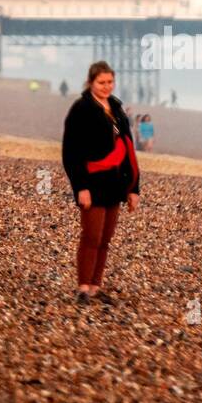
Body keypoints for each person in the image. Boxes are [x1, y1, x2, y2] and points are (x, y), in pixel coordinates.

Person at [61, 61, 140, 304]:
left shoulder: (116, 108)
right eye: (101, 82)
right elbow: (71, 152)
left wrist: (134, 188)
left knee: (105, 239)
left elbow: (128, 149)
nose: (106, 87)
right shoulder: (81, 108)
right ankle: (82, 288)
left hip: (115, 184)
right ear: (91, 82)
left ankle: (95, 287)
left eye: (110, 82)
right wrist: (80, 187)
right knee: (91, 236)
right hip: (92, 184)